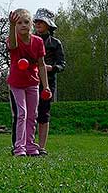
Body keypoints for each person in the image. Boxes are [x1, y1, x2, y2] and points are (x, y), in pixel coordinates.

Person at [7, 8, 50, 156]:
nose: (23, 25)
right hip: (16, 83)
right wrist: (11, 26)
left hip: (33, 82)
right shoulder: (14, 38)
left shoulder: (38, 41)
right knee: (22, 114)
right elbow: (12, 46)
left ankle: (30, 145)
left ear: (31, 24)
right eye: (19, 23)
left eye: (26, 22)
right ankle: (19, 147)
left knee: (33, 114)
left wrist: (46, 86)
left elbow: (41, 64)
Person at [33, 8, 66, 155]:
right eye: (36, 21)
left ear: (49, 24)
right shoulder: (31, 40)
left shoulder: (55, 43)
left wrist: (51, 68)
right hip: (31, 81)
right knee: (29, 113)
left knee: (43, 113)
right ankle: (28, 144)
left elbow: (62, 64)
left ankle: (41, 147)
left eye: (41, 21)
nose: (38, 23)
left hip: (48, 83)